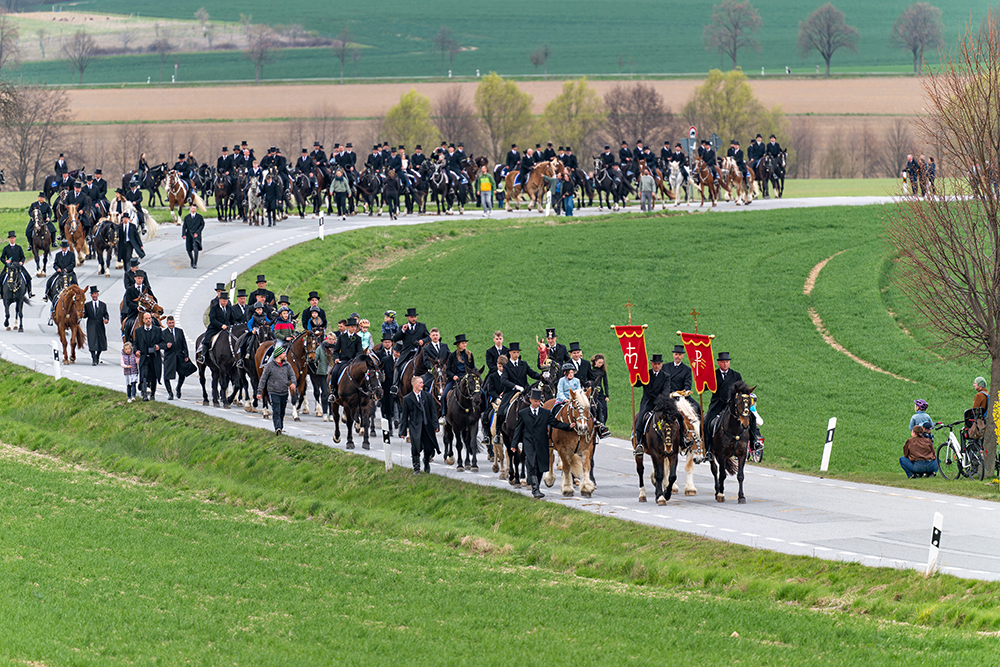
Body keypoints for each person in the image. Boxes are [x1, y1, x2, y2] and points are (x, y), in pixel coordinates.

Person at [512, 387, 574, 498]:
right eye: (536, 401)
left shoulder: (545, 413)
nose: (538, 403)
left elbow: (555, 423)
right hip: (529, 443)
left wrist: (568, 426)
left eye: (539, 401)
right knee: (531, 464)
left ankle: (537, 487)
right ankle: (535, 489)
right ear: (531, 400)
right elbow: (518, 430)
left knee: (540, 467)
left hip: (542, 442)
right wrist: (514, 444)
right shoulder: (523, 413)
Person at [704, 352, 748, 456]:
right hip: (717, 404)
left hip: (732, 405)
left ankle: (754, 441)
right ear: (719, 363)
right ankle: (708, 449)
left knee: (750, 418)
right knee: (706, 423)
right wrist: (701, 380)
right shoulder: (713, 375)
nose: (725, 364)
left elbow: (741, 391)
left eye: (727, 362)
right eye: (723, 362)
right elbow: (704, 387)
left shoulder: (736, 375)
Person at [399, 375, 439, 474]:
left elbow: (433, 412)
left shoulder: (428, 396)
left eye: (422, 382)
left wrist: (435, 425)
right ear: (414, 384)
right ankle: (416, 468)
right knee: (416, 447)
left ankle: (426, 461)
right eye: (420, 383)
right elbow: (404, 416)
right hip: (415, 427)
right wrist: (402, 431)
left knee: (429, 447)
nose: (422, 384)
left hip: (427, 426)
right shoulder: (407, 399)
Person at [257, 343, 297, 435]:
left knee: (282, 411)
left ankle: (280, 426)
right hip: (273, 391)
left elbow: (292, 375)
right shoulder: (269, 366)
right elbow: (263, 379)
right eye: (283, 353)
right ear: (278, 355)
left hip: (284, 391)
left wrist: (293, 383)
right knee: (276, 410)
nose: (285, 355)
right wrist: (259, 391)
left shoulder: (287, 365)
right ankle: (277, 427)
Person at [632, 353, 668, 455]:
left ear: (661, 364)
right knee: (640, 418)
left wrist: (660, 401)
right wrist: (634, 376)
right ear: (652, 364)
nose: (657, 366)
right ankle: (639, 443)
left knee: (672, 418)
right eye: (655, 364)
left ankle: (678, 441)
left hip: (659, 403)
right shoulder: (646, 374)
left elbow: (666, 391)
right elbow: (637, 384)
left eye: (659, 364)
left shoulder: (665, 376)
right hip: (647, 402)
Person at [391, 307, 430, 393]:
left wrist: (423, 341)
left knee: (429, 366)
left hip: (419, 352)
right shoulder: (403, 327)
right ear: (408, 318)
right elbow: (395, 338)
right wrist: (403, 331)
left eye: (415, 317)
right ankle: (395, 385)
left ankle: (429, 386)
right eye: (412, 317)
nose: (414, 319)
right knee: (398, 365)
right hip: (407, 353)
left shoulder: (422, 326)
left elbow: (429, 337)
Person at [134, 311, 162, 401]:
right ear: (143, 320)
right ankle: (144, 394)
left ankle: (153, 394)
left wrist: (159, 346)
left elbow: (163, 342)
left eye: (149, 318)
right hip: (144, 357)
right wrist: (136, 351)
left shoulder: (157, 330)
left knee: (154, 376)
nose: (148, 320)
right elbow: (135, 344)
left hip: (154, 357)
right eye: (146, 319)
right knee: (143, 375)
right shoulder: (138, 331)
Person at [161, 315, 190, 400]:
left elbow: (184, 343)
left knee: (182, 374)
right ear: (167, 323)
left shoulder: (179, 331)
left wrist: (186, 355)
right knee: (166, 376)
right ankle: (170, 393)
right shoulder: (163, 333)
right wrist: (166, 345)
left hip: (179, 356)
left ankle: (178, 388)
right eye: (170, 323)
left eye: (172, 322)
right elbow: (160, 344)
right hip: (169, 357)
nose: (171, 324)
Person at [443, 334, 475, 411]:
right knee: (444, 395)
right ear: (458, 344)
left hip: (467, 378)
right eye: (463, 343)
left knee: (481, 393)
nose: (465, 345)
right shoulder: (452, 356)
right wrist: (453, 376)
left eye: (465, 343)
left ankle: (482, 413)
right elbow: (447, 370)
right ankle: (444, 413)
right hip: (455, 379)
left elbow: (473, 367)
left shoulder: (469, 355)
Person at [200, 291, 234, 363]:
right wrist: (221, 325)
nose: (225, 303)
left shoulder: (229, 308)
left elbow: (232, 319)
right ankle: (203, 355)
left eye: (226, 301)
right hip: (215, 328)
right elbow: (212, 320)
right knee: (207, 338)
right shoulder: (214, 308)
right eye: (223, 301)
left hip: (226, 328)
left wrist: (231, 325)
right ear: (220, 300)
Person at [1, 230, 32, 298]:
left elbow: (23, 257)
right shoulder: (6, 248)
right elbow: (2, 258)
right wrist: (6, 261)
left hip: (18, 266)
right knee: (1, 277)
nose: (12, 239)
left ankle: (30, 292)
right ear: (9, 239)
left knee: (28, 277)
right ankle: (1, 293)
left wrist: (21, 262)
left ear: (15, 239)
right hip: (9, 267)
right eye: (11, 238)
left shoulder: (19, 248)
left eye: (13, 238)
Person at [313, 330, 335, 421]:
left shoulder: (336, 349)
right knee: (325, 392)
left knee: (332, 393)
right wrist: (313, 359)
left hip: (333, 374)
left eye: (332, 339)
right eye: (329, 339)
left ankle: (331, 413)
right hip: (323, 373)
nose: (331, 341)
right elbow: (315, 358)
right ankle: (325, 413)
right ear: (327, 339)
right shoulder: (321, 348)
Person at [83, 285, 108, 366]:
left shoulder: (103, 305)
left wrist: (106, 319)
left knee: (101, 340)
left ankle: (98, 356)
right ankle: (93, 358)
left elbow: (105, 314)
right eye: (92, 294)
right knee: (92, 340)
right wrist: (81, 314)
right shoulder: (87, 305)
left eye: (95, 294)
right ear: (91, 295)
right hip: (91, 324)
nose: (94, 295)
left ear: (97, 294)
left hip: (100, 324)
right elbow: (85, 315)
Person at [589, 354, 609, 426]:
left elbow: (605, 383)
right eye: (599, 362)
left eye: (602, 363)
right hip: (593, 392)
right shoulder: (591, 370)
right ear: (595, 361)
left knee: (604, 408)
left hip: (600, 392)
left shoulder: (602, 371)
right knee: (595, 407)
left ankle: (603, 424)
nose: (601, 364)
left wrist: (607, 395)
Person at [181, 203, 204, 269]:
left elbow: (202, 225)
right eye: (192, 208)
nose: (193, 210)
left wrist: (197, 232)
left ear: (196, 209)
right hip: (189, 234)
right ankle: (192, 259)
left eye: (194, 208)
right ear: (190, 209)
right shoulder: (187, 217)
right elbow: (184, 226)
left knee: (195, 249)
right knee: (189, 249)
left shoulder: (199, 217)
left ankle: (195, 263)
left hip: (196, 235)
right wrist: (183, 234)